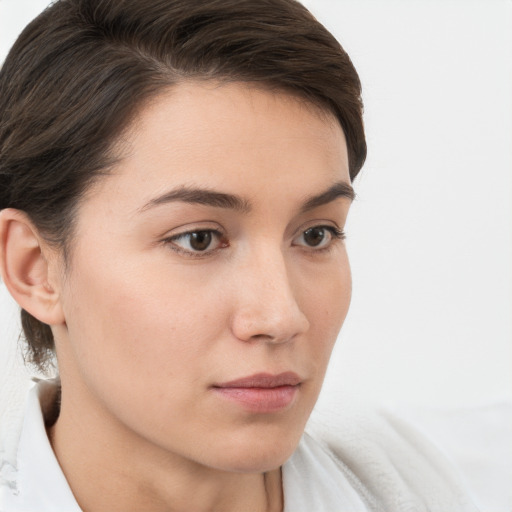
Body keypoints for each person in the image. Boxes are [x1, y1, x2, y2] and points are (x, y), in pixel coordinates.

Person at [0, 1, 480, 510]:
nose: (281, 317)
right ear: (36, 269)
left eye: (316, 234)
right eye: (198, 239)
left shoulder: (428, 482)